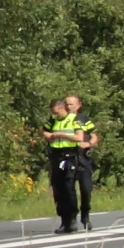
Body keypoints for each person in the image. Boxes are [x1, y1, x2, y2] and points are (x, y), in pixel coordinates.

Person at [42, 94, 99, 234]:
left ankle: (85, 215)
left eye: (71, 104)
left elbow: (93, 135)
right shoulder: (55, 119)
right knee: (63, 189)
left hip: (81, 157)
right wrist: (48, 135)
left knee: (85, 189)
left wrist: (89, 144)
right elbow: (44, 129)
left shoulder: (81, 119)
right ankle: (67, 220)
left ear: (78, 105)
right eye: (66, 104)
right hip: (61, 156)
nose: (68, 106)